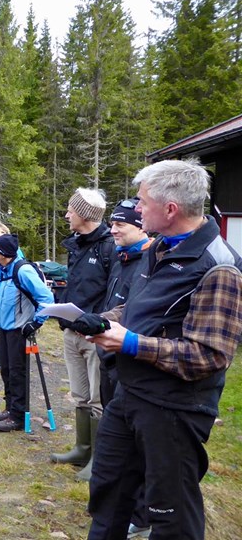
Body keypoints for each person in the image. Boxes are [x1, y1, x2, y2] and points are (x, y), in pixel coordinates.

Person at [75, 159, 242, 540]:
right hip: (129, 394)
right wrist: (102, 319)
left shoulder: (220, 268)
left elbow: (209, 355)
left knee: (170, 515)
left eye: (142, 201)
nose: (135, 208)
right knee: (108, 493)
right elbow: (137, 308)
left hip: (174, 410)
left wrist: (130, 342)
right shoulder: (158, 247)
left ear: (170, 209)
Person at [86, 198, 153, 535]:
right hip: (110, 357)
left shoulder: (151, 260)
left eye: (120, 225)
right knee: (119, 445)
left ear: (140, 226)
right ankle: (118, 507)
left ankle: (140, 516)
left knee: (139, 446)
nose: (112, 229)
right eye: (111, 224)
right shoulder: (121, 257)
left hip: (132, 361)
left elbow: (137, 312)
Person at [50, 188, 115, 470]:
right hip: (71, 332)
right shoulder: (77, 244)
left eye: (70, 210)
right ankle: (82, 449)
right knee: (80, 393)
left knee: (98, 397)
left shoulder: (109, 246)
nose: (66, 215)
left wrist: (99, 322)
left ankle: (98, 461)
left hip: (95, 335)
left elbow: (114, 292)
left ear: (85, 215)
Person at [0, 234, 54, 432]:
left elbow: (46, 297)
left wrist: (36, 323)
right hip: (5, 329)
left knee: (17, 373)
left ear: (3, 253)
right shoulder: (5, 270)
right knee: (6, 370)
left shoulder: (23, 270)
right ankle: (10, 408)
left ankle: (18, 416)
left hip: (19, 329)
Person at [0, 223, 24, 370]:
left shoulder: (15, 250)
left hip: (8, 293)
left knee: (6, 324)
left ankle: (8, 356)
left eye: (2, 232)